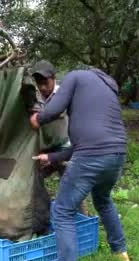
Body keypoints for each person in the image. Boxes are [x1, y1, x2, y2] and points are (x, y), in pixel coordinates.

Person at [30, 62, 130, 261]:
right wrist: (52, 157)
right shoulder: (107, 89)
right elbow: (85, 143)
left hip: (93, 155)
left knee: (63, 210)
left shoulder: (75, 76)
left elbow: (54, 109)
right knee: (103, 200)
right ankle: (120, 253)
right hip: (117, 154)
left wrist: (38, 119)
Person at [30, 61, 88, 215]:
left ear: (54, 78)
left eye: (45, 83)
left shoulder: (65, 94)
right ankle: (43, 213)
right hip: (44, 148)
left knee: (72, 183)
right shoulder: (34, 97)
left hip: (66, 146)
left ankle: (83, 218)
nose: (42, 88)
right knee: (33, 177)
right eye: (38, 83)